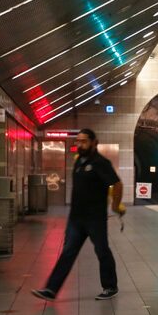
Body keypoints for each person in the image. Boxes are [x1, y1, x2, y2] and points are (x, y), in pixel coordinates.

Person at [32, 128, 124, 301]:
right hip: (76, 218)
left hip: (95, 218)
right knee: (68, 251)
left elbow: (117, 184)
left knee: (102, 250)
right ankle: (51, 289)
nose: (80, 144)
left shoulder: (100, 162)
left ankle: (110, 286)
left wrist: (115, 205)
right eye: (78, 141)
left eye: (84, 141)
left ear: (94, 142)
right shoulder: (78, 162)